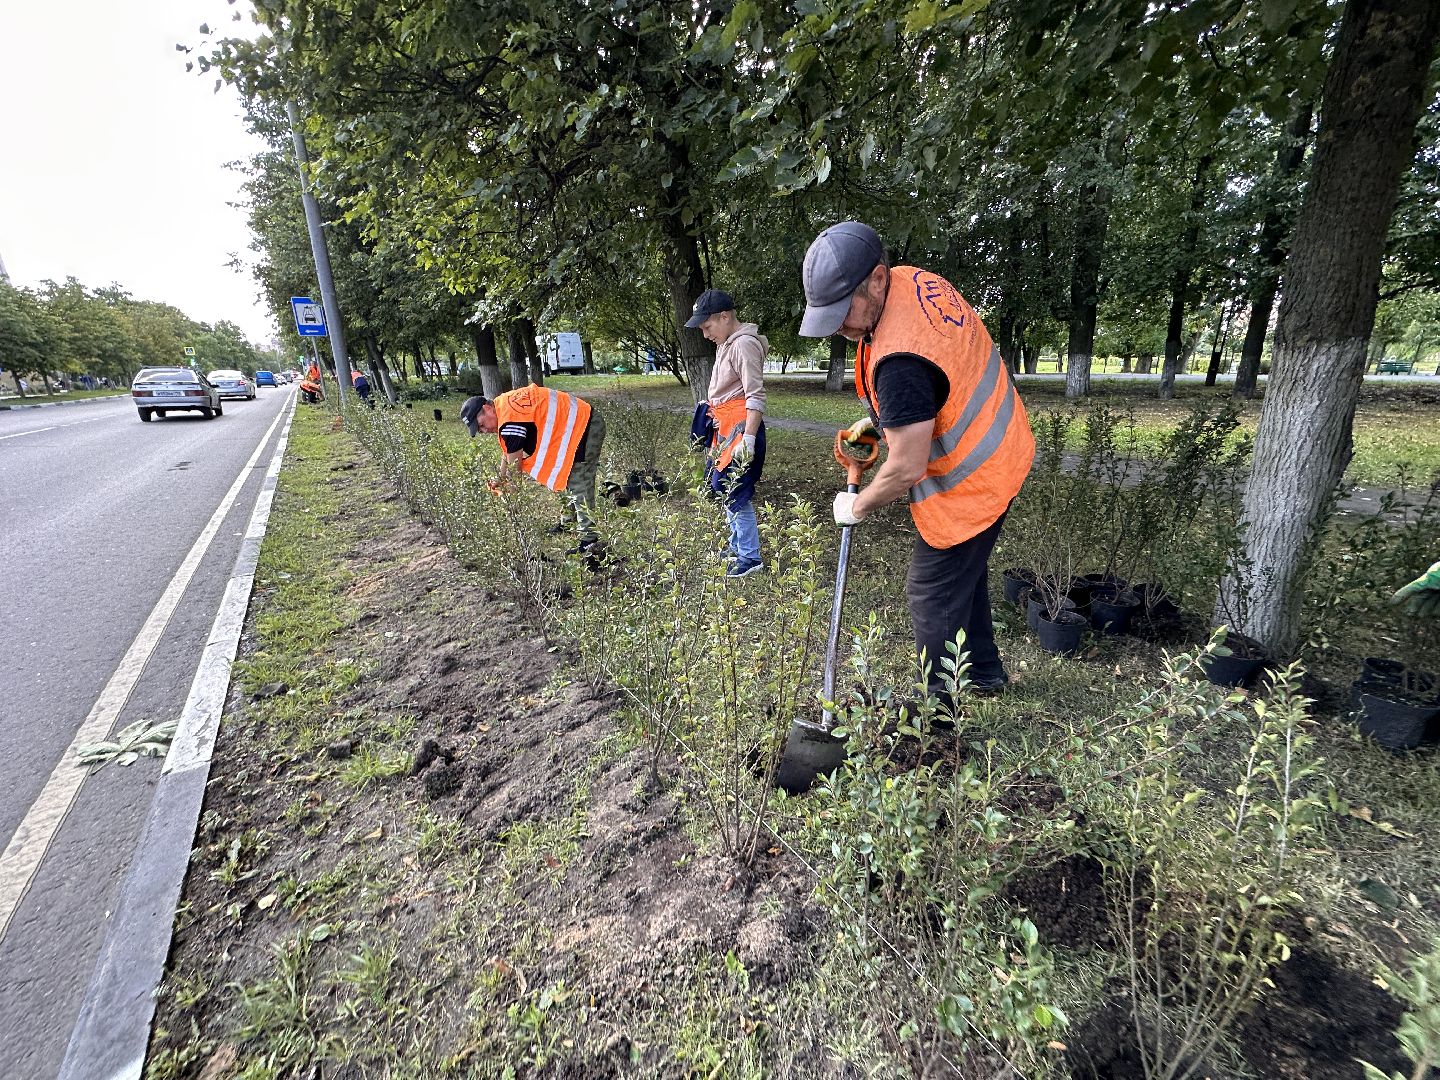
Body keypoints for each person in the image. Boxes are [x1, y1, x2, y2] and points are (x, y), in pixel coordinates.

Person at [798, 221, 1035, 700]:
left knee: (932, 595)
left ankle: (939, 721)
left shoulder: (902, 361)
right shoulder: (909, 285)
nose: (840, 327)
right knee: (965, 574)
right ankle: (985, 674)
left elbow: (907, 467)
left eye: (844, 310)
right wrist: (880, 424)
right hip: (1005, 444)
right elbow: (927, 391)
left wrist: (857, 505)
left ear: (878, 279)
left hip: (976, 477)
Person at [460, 388, 607, 553]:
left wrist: (511, 504)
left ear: (487, 409)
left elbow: (515, 474)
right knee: (561, 474)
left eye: (481, 425)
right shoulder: (504, 407)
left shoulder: (510, 421)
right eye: (480, 431)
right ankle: (568, 521)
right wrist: (501, 479)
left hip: (585, 424)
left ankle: (589, 540)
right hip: (570, 427)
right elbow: (509, 452)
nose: (484, 431)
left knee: (579, 480)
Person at [686, 288, 769, 578]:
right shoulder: (725, 344)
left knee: (737, 493)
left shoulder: (744, 344)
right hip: (725, 429)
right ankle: (737, 547)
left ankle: (750, 557)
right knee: (723, 487)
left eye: (707, 326)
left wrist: (748, 438)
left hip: (740, 429)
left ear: (724, 317)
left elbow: (755, 396)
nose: (705, 334)